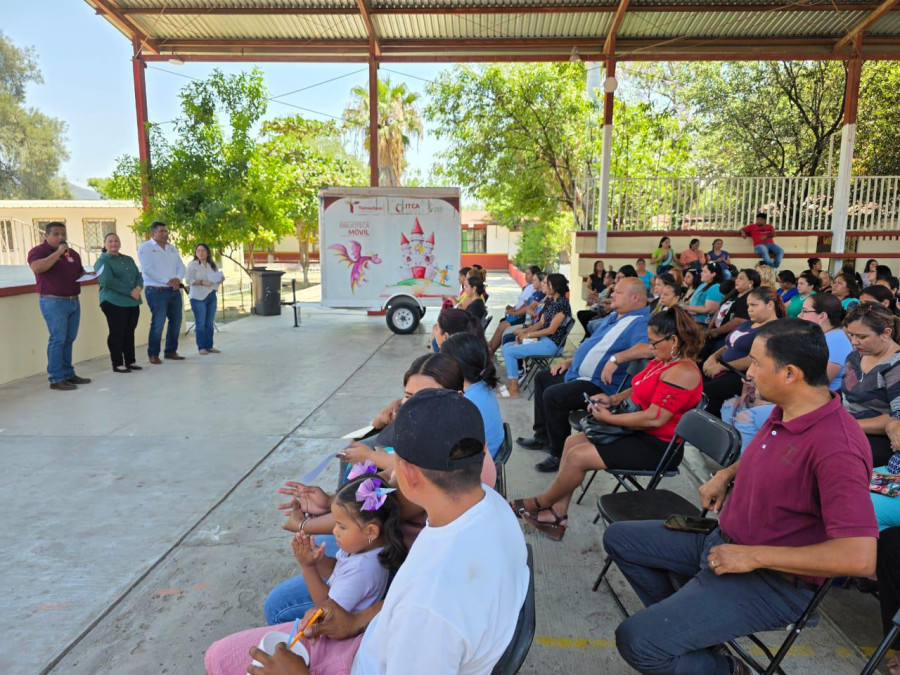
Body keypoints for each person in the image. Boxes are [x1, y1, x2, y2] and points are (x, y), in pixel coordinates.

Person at [605, 319, 877, 675]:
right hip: (723, 542)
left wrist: (751, 556)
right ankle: (694, 633)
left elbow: (859, 558)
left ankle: (727, 668)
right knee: (620, 538)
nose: (748, 373)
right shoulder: (787, 409)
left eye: (756, 363)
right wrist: (726, 474)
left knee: (637, 642)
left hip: (772, 579)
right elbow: (767, 451)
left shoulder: (836, 448)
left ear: (790, 373)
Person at [265, 352, 497, 626]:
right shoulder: (447, 439)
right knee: (332, 544)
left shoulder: (436, 472)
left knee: (277, 605)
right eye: (408, 397)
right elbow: (382, 484)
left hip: (391, 560)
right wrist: (328, 502)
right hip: (384, 544)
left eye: (425, 398)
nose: (410, 409)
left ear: (455, 396)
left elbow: (374, 509)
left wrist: (303, 524)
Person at [510, 307, 702, 541]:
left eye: (654, 343)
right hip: (638, 431)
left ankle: (540, 503)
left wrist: (610, 418)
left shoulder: (683, 372)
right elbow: (640, 387)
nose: (650, 348)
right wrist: (612, 399)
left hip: (657, 446)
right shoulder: (664, 360)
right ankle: (557, 515)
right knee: (572, 442)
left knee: (578, 457)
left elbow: (655, 418)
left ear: (673, 340)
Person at [516, 278, 653, 473]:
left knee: (554, 395)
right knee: (543, 378)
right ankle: (543, 437)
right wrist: (570, 362)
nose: (612, 294)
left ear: (635, 298)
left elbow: (648, 348)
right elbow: (593, 344)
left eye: (618, 292)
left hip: (600, 385)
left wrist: (616, 359)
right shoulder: (616, 316)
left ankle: (559, 453)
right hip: (580, 373)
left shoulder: (640, 322)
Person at [27, 221, 91, 391]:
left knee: (69, 339)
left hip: (73, 300)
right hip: (53, 301)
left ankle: (68, 374)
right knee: (58, 339)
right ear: (46, 236)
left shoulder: (73, 254)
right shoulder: (38, 251)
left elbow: (79, 272)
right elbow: (38, 268)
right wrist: (58, 253)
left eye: (63, 234)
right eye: (56, 234)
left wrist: (88, 275)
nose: (61, 237)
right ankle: (56, 378)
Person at [702, 286, 784, 419]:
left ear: (769, 305)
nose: (749, 309)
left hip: (741, 375)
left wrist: (721, 367)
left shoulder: (774, 329)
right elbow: (729, 344)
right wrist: (712, 358)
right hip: (722, 366)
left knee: (707, 392)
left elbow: (753, 359)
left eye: (754, 305)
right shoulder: (747, 324)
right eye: (748, 305)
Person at [841, 302, 900, 466]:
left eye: (862, 337)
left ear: (886, 333)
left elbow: (896, 419)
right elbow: (847, 392)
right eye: (851, 335)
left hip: (878, 440)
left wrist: (847, 424)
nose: (854, 342)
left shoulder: (895, 366)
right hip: (848, 427)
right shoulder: (854, 357)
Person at [501, 273, 571, 398]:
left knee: (511, 351)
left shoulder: (562, 304)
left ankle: (514, 390)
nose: (543, 285)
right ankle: (513, 383)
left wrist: (528, 334)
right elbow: (541, 323)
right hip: (543, 340)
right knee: (507, 347)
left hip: (552, 344)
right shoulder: (550, 300)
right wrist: (525, 332)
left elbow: (550, 330)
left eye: (546, 283)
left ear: (555, 286)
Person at [440, 332, 505, 458]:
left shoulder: (466, 403)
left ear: (454, 367)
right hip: (489, 458)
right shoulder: (482, 385)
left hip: (476, 468)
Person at [138, 221, 186, 364]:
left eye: (166, 231)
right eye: (161, 231)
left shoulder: (171, 248)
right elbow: (148, 269)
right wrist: (168, 280)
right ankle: (153, 354)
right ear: (153, 233)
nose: (165, 234)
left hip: (174, 291)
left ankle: (171, 351)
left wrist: (178, 279)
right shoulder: (145, 248)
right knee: (158, 323)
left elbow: (181, 266)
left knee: (176, 322)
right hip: (156, 291)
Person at [95, 232, 143, 373]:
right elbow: (107, 281)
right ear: (105, 244)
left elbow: (138, 276)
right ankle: (117, 363)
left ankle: (130, 361)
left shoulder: (128, 259)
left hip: (132, 301)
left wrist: (138, 288)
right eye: (110, 241)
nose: (114, 243)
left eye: (116, 240)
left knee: (129, 332)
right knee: (117, 332)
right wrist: (130, 291)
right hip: (113, 301)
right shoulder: (102, 261)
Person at [490, 272, 545, 353]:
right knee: (502, 324)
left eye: (535, 280)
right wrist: (515, 309)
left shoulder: (541, 295)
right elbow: (526, 306)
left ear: (541, 282)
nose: (533, 282)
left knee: (504, 331)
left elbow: (529, 308)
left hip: (527, 321)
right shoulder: (536, 292)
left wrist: (516, 313)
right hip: (526, 320)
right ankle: (490, 347)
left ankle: (491, 350)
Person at [185, 243, 224, 355]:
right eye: (198, 250)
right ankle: (201, 347)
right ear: (196, 253)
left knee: (209, 323)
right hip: (198, 297)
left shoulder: (212, 265)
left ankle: (209, 345)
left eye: (203, 250)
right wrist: (202, 282)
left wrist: (221, 278)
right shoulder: (192, 265)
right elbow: (188, 280)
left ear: (207, 252)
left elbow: (216, 278)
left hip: (211, 295)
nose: (201, 253)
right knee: (200, 323)